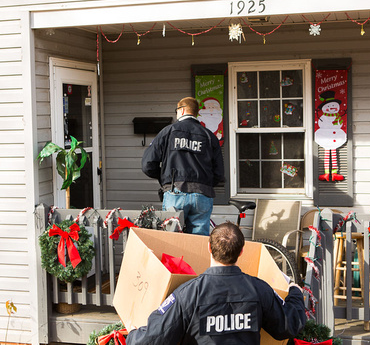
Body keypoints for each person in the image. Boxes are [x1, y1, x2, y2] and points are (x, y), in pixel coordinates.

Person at [126, 222, 306, 344]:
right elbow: (289, 325)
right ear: (242, 251)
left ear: (209, 248)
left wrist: (133, 334)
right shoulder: (259, 289)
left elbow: (154, 338)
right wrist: (295, 292)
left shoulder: (188, 294)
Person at [142, 97, 225, 235]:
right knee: (198, 243)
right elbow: (219, 173)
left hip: (175, 192)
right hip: (202, 194)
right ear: (196, 113)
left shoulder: (168, 132)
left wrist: (165, 177)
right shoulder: (209, 136)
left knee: (173, 241)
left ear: (181, 110)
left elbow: (147, 165)